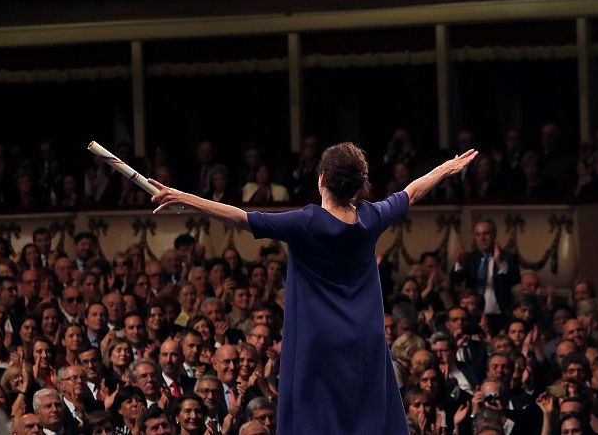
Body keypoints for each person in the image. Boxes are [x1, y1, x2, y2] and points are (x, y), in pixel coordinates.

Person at [148, 142, 479, 435]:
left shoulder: (307, 222)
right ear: (359, 185)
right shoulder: (371, 217)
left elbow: (241, 218)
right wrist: (446, 168)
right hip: (365, 340)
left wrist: (183, 197)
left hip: (319, 344)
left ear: (321, 179)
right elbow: (412, 192)